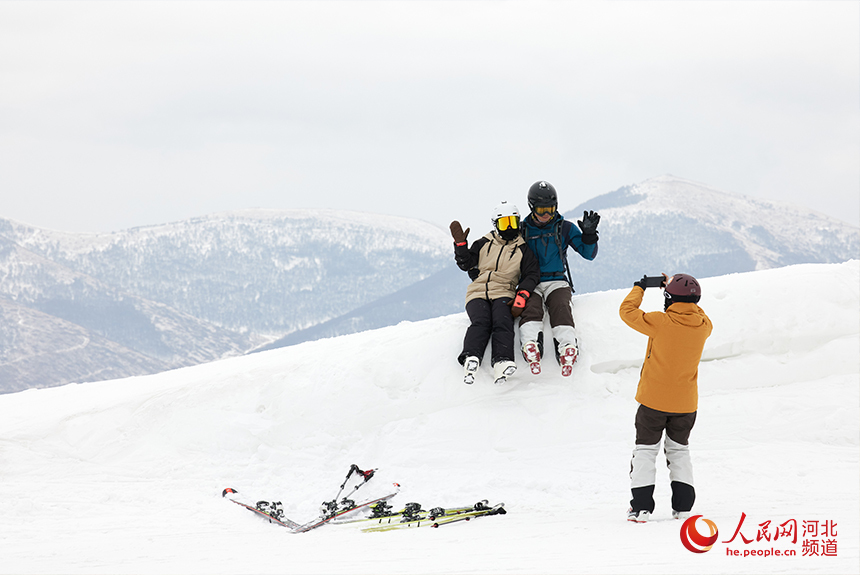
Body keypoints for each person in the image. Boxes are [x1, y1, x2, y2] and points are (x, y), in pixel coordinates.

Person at [619, 273, 713, 523]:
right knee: (679, 451)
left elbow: (627, 311)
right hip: (686, 404)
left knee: (645, 452)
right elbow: (694, 309)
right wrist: (683, 294)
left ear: (669, 298)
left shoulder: (660, 322)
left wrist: (640, 287)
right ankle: (683, 508)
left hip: (653, 402)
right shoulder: (704, 325)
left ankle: (641, 509)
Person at [449, 201, 540, 385]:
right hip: (477, 292)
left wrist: (522, 294)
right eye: (504, 223)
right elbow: (466, 263)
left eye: (513, 223)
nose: (509, 228)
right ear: (496, 224)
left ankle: (502, 360)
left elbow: (532, 274)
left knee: (502, 321)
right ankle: (471, 356)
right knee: (481, 321)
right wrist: (460, 246)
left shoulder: (523, 249)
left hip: (504, 292)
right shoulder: (483, 243)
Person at [518, 181, 600, 376]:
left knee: (561, 306)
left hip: (557, 281)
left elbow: (588, 254)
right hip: (531, 282)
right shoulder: (522, 230)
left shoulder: (564, 228)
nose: (547, 214)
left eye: (551, 209)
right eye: (542, 209)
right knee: (530, 307)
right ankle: (530, 344)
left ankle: (567, 348)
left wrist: (589, 236)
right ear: (531, 207)